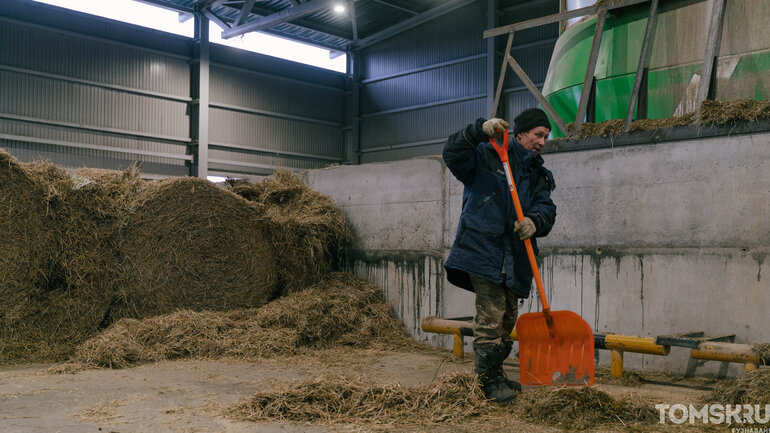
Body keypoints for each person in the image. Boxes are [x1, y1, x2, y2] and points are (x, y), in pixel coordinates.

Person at [442, 108, 556, 403]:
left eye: (546, 136)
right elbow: (452, 154)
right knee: (491, 320)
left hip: (515, 257)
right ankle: (487, 383)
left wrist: (535, 222)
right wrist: (478, 130)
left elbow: (546, 209)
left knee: (507, 321)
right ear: (521, 134)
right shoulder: (486, 156)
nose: (542, 142)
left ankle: (496, 373)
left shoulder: (537, 173)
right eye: (538, 135)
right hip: (484, 251)